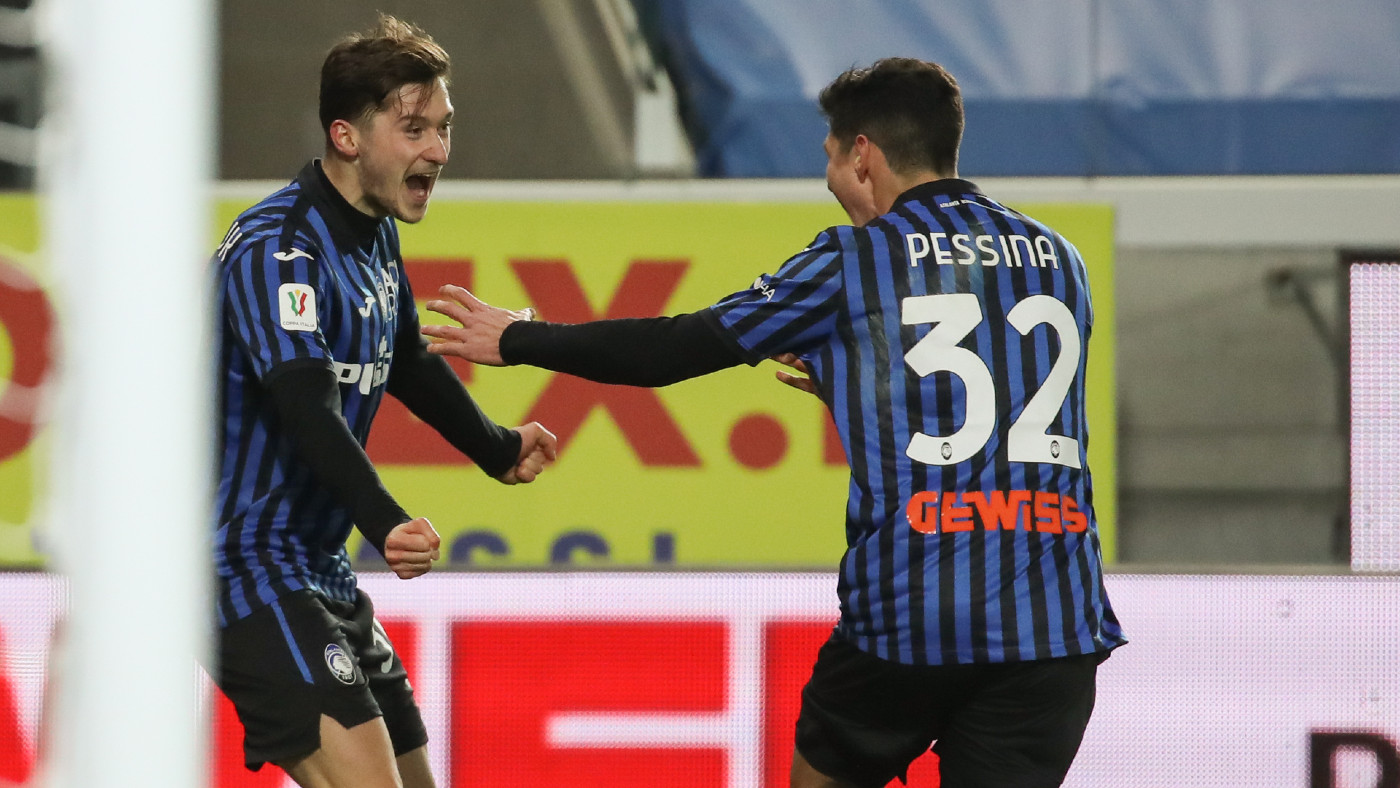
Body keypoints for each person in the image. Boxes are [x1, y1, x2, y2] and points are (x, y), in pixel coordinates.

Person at [421, 57, 1126, 788]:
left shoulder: (853, 259)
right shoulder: (1060, 259)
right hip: (1055, 621)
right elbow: (1003, 404)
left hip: (914, 613)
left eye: (830, 157)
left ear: (862, 154)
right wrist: (859, 388)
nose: (829, 179)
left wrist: (520, 338)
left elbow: (675, 349)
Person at [210, 15, 557, 788]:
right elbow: (305, 406)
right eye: (414, 129)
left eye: (443, 127)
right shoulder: (279, 249)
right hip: (240, 566)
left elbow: (402, 358)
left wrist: (496, 447)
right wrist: (387, 521)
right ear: (346, 136)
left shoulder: (372, 233)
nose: (438, 150)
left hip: (317, 566)